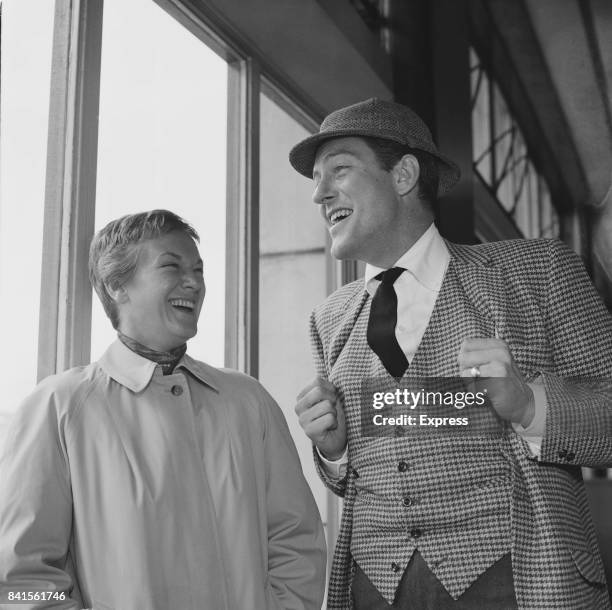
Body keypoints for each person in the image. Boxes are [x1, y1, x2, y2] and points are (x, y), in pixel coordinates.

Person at [289, 98, 612, 609]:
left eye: (340, 170)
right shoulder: (328, 319)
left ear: (404, 175)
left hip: (518, 583)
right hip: (375, 586)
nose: (319, 193)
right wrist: (335, 451)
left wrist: (529, 406)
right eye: (315, 178)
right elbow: (361, 473)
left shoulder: (536, 270)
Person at [0, 210, 326, 610]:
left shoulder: (248, 400)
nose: (194, 282)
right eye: (172, 266)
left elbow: (297, 539)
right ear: (117, 285)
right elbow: (19, 578)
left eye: (198, 269)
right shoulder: (58, 407)